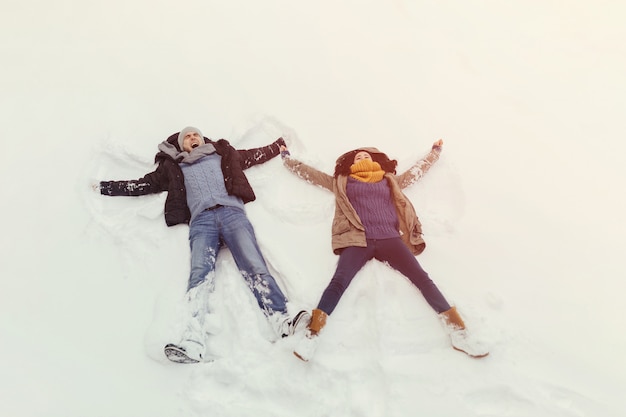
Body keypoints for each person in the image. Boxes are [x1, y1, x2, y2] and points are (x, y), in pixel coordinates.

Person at [98, 127, 310, 363]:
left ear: (202, 139)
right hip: (202, 223)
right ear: (182, 146)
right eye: (187, 137)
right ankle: (193, 341)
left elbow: (252, 155)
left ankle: (281, 320)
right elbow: (144, 184)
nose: (192, 138)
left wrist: (276, 146)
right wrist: (108, 187)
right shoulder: (174, 167)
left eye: (195, 135)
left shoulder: (222, 153)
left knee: (253, 264)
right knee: (200, 275)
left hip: (232, 215)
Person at [280, 139, 488, 361]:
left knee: (422, 278)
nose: (362, 157)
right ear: (351, 162)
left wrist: (434, 153)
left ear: (374, 159)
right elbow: (311, 174)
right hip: (358, 240)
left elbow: (417, 171)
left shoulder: (390, 180)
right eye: (357, 156)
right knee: (339, 281)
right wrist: (287, 159)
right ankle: (312, 335)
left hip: (390, 239)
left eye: (366, 155)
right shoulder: (342, 181)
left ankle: (459, 333)